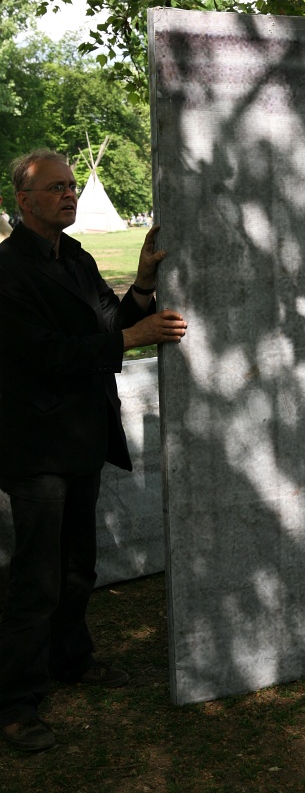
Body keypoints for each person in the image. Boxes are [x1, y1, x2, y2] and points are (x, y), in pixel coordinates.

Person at [0, 149, 188, 752]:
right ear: (24, 201)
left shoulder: (76, 256)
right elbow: (45, 354)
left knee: (79, 563)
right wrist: (132, 337)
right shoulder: (7, 271)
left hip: (81, 436)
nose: (69, 195)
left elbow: (108, 323)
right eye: (56, 187)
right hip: (35, 447)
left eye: (72, 185)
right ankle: (16, 704)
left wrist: (144, 284)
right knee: (37, 576)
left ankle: (70, 658)